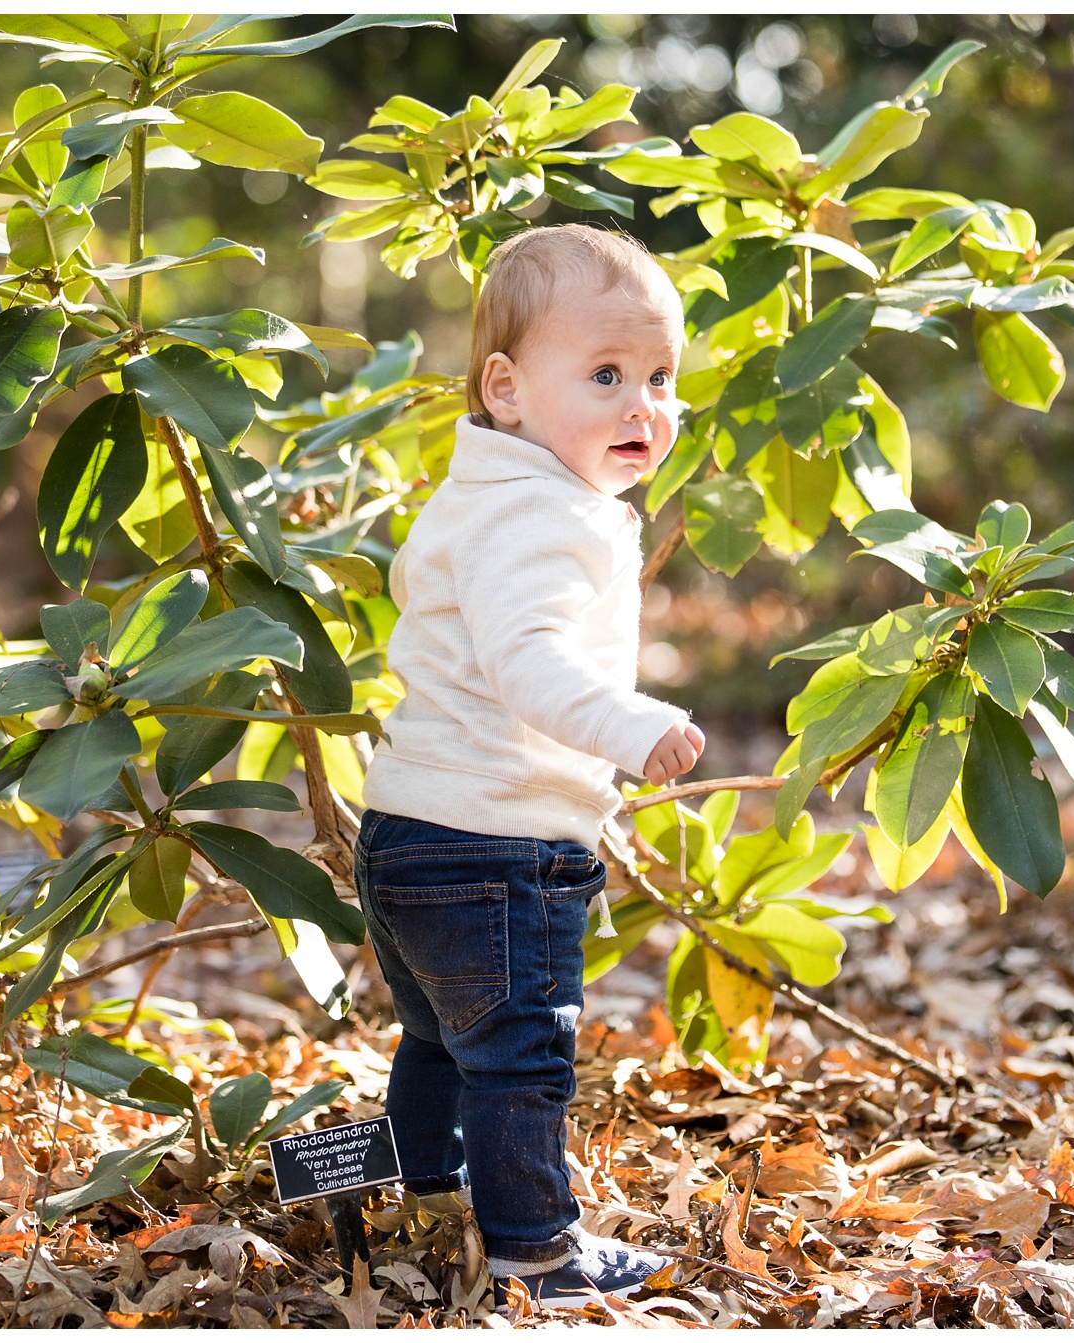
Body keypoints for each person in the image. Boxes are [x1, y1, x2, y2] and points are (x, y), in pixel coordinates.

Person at [357, 225, 705, 1304]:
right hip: (493, 847)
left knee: (439, 1040)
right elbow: (527, 662)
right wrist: (628, 724)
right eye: (604, 374)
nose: (641, 403)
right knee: (519, 1057)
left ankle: (429, 1189)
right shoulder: (544, 515)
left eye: (658, 377)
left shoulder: (479, 493)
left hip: (409, 835)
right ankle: (533, 1247)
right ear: (504, 388)